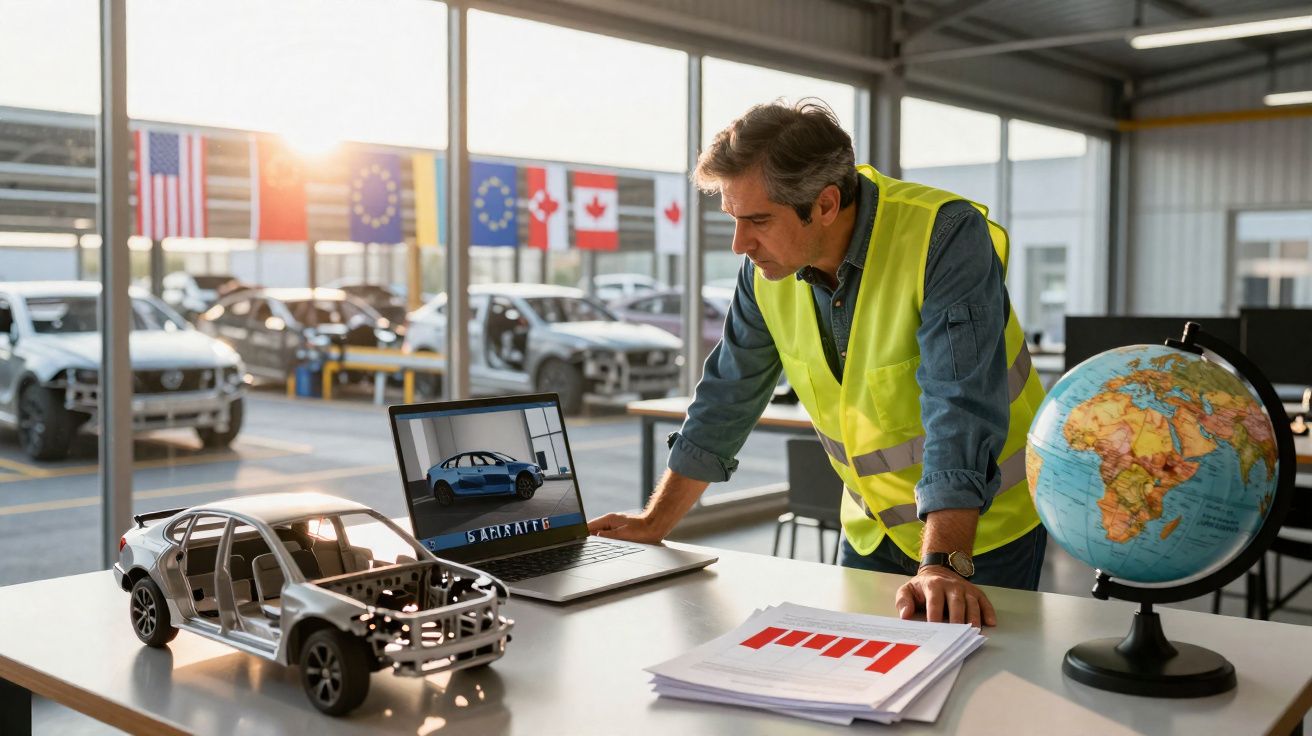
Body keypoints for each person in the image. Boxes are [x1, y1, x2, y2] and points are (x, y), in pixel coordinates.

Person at [588, 100, 1048, 628]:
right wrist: (655, 521)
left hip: (979, 532)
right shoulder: (765, 272)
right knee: (857, 673)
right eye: (733, 220)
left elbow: (959, 406)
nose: (740, 244)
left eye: (759, 220)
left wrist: (943, 562)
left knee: (977, 678)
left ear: (825, 204)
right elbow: (726, 394)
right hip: (873, 529)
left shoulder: (943, 237)